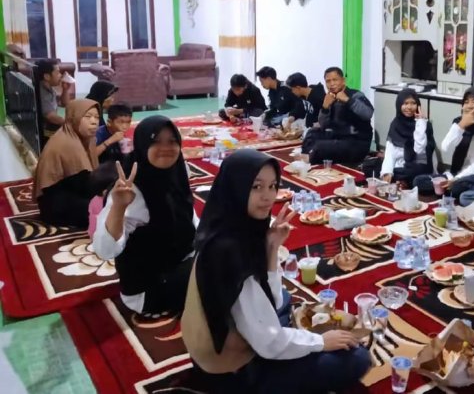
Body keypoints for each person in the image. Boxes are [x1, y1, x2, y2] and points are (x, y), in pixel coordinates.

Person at [181, 150, 371, 393]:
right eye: (256, 187)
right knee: (357, 358)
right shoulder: (230, 251)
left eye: (272, 186)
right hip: (235, 372)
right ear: (236, 188)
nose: (267, 196)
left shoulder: (226, 227)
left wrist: (271, 250)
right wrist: (321, 341)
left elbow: (271, 300)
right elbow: (268, 341)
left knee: (285, 298)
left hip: (222, 345)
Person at [93, 116, 197, 315]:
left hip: (177, 265)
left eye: (172, 141)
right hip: (149, 289)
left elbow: (189, 220)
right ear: (142, 145)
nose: (166, 148)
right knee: (224, 267)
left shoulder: (176, 172)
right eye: (155, 141)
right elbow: (105, 251)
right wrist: (118, 207)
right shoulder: (131, 190)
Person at [34, 99, 113, 228]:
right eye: (88, 117)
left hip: (72, 192)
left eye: (97, 117)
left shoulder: (86, 138)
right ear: (73, 118)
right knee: (105, 209)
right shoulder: (68, 142)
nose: (94, 122)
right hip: (55, 206)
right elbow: (82, 183)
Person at [414, 86, 474, 197]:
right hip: (455, 174)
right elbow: (445, 148)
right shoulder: (459, 123)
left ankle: (458, 191)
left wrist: (456, 180)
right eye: (466, 102)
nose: (470, 105)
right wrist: (461, 126)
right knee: (419, 181)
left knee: (458, 187)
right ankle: (455, 191)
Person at [306, 67, 374, 165]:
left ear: (343, 81)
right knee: (311, 134)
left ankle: (312, 162)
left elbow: (368, 114)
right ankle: (313, 160)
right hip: (337, 139)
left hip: (356, 141)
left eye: (335, 80)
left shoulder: (355, 95)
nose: (332, 84)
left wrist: (347, 100)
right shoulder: (330, 97)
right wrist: (325, 107)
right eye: (328, 81)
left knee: (320, 147)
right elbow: (323, 124)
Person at [379, 89, 436, 186]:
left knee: (417, 172)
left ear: (418, 105)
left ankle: (403, 180)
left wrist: (420, 122)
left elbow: (420, 150)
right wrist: (387, 171)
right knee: (378, 168)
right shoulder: (396, 123)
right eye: (405, 103)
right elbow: (390, 152)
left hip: (421, 162)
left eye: (413, 103)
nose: (409, 107)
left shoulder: (425, 124)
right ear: (399, 105)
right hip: (402, 163)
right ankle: (402, 180)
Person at [37, 58, 73, 141]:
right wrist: (70, 124)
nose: (60, 75)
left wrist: (65, 89)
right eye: (58, 72)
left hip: (53, 127)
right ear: (47, 76)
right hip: (46, 133)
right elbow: (51, 117)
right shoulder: (42, 92)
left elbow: (64, 104)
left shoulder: (49, 88)